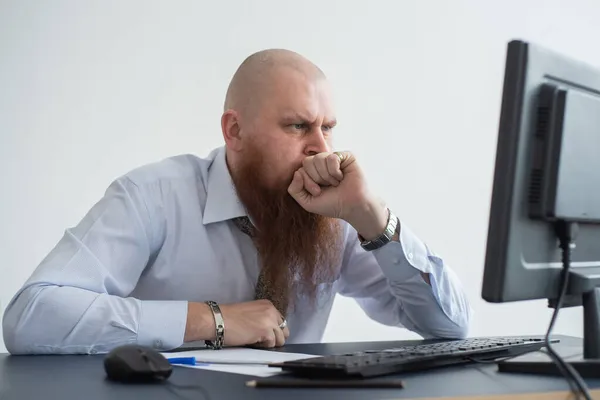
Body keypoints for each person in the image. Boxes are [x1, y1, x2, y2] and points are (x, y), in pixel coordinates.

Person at [2, 49, 472, 355]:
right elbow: (31, 316)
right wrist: (212, 320)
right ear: (234, 131)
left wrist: (376, 222)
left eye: (327, 127)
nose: (322, 149)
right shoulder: (154, 196)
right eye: (297, 127)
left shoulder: (336, 213)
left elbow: (449, 329)